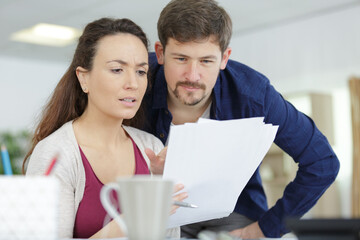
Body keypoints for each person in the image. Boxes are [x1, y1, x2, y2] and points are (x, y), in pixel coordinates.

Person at [142, 0, 340, 238]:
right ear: (161, 53)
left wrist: (263, 229)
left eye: (206, 61)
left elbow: (322, 162)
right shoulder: (136, 81)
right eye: (181, 59)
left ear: (224, 58)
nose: (192, 76)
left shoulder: (254, 94)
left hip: (234, 214)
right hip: (158, 209)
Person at [23, 18, 186, 239]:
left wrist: (162, 185)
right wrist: (130, 221)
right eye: (117, 69)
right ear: (84, 78)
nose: (133, 84)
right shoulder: (55, 155)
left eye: (141, 72)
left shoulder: (151, 147)